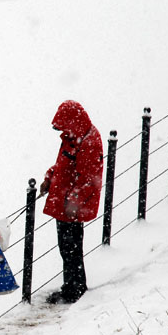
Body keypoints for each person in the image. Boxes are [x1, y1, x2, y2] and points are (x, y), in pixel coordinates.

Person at [39, 100, 103, 304]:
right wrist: (50, 178)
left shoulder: (89, 141)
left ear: (72, 121)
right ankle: (71, 286)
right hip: (65, 202)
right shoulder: (73, 137)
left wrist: (73, 201)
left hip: (71, 206)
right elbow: (63, 165)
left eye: (64, 125)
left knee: (72, 247)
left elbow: (89, 178)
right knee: (66, 247)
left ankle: (74, 290)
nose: (61, 130)